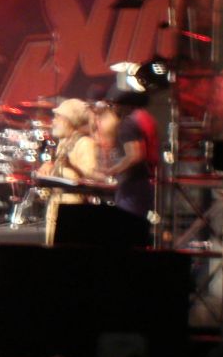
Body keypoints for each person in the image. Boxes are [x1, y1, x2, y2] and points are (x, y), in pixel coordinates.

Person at [36, 97, 98, 243]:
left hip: (73, 213)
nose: (53, 122)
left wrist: (63, 169)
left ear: (70, 120)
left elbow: (90, 180)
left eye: (58, 117)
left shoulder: (85, 144)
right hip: (57, 208)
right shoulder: (63, 144)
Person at [96, 87, 159, 220]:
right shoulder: (143, 119)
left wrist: (113, 170)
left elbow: (135, 155)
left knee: (127, 222)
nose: (112, 109)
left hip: (132, 185)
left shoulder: (127, 125)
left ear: (121, 105)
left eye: (112, 105)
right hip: (144, 182)